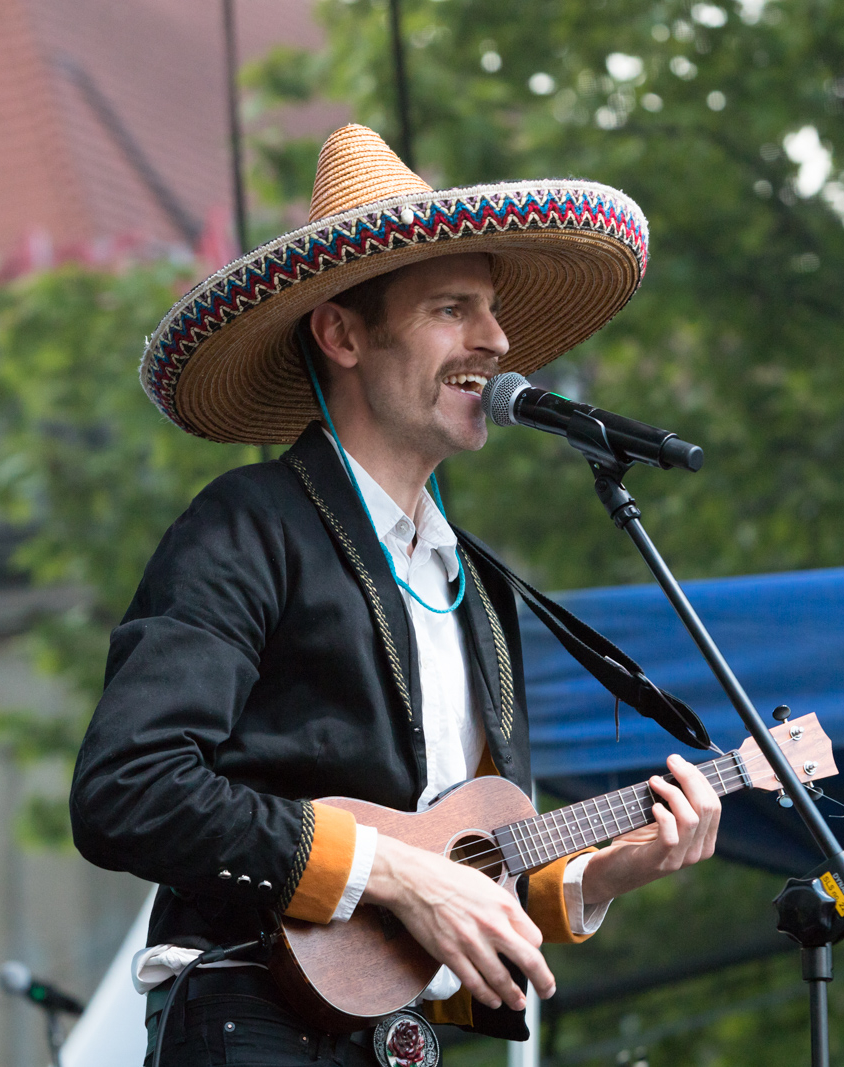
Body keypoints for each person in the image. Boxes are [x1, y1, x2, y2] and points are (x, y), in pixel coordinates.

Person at [70, 125, 721, 1066]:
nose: (497, 341)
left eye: (491, 310)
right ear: (340, 333)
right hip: (252, 1027)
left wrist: (615, 866)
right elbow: (126, 789)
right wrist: (394, 876)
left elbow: (468, 864)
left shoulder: (479, 587)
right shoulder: (246, 527)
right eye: (453, 308)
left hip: (404, 1042)